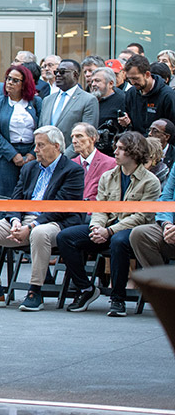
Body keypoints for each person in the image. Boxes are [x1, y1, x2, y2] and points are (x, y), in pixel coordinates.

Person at [0, 126, 85, 310]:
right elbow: (16, 199)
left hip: (55, 222)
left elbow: (61, 208)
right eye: (35, 145)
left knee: (39, 233)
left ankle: (35, 291)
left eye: (40, 145)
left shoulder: (72, 170)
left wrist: (30, 228)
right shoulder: (29, 168)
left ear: (56, 146)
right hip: (23, 220)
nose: (35, 150)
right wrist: (15, 222)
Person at [57, 131, 161, 317]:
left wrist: (109, 231)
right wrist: (96, 227)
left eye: (121, 149)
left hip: (130, 231)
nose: (115, 152)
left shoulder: (150, 181)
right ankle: (85, 288)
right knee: (66, 237)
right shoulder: (108, 176)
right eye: (116, 148)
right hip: (106, 227)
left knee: (119, 241)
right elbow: (100, 208)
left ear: (134, 152)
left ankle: (117, 298)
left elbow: (142, 216)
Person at [0, 64, 43, 197]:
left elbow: (42, 128)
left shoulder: (36, 102)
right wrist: (13, 155)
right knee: (7, 196)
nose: (10, 83)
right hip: (4, 156)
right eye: (8, 79)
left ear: (25, 84)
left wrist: (31, 154)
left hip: (31, 153)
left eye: (15, 80)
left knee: (30, 194)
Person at [39, 59, 99, 150]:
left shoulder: (88, 100)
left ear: (75, 74)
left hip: (71, 158)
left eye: (62, 72)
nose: (58, 75)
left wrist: (63, 158)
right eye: (56, 72)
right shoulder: (47, 100)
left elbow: (86, 136)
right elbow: (41, 130)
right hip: (46, 157)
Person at [119, 54, 175, 135]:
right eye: (129, 79)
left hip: (158, 145)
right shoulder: (131, 93)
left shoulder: (167, 95)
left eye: (136, 78)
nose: (132, 82)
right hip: (136, 142)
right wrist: (126, 122)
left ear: (147, 74)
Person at [71, 122, 117, 201]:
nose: (74, 141)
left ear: (92, 139)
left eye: (79, 136)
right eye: (72, 137)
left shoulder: (110, 164)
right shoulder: (70, 165)